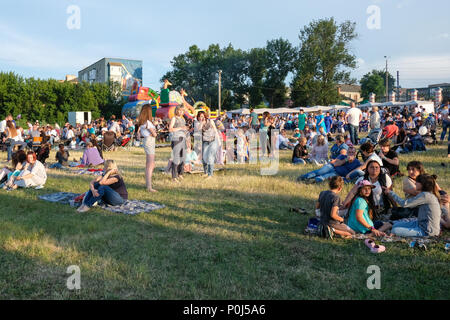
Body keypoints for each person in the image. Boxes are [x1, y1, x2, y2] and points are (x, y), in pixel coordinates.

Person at [137, 104, 158, 192]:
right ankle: (149, 187)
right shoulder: (148, 123)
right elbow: (155, 134)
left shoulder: (142, 122)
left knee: (149, 164)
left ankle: (148, 184)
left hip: (146, 141)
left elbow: (139, 135)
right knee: (150, 164)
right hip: (150, 141)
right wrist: (154, 129)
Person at [168, 106, 188, 182]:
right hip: (176, 139)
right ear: (176, 111)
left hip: (183, 138)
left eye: (182, 111)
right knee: (176, 158)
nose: (180, 112)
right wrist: (180, 128)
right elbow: (170, 129)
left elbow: (185, 130)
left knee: (183, 157)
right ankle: (174, 176)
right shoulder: (174, 118)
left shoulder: (183, 119)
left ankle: (180, 174)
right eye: (179, 111)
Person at [199, 110, 219, 178]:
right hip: (205, 141)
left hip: (213, 140)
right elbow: (198, 131)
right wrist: (201, 123)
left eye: (202, 116)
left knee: (210, 157)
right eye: (199, 116)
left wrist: (218, 140)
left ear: (205, 116)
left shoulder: (210, 121)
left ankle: (210, 174)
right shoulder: (198, 123)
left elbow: (216, 130)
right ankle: (206, 172)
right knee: (204, 158)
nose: (201, 118)